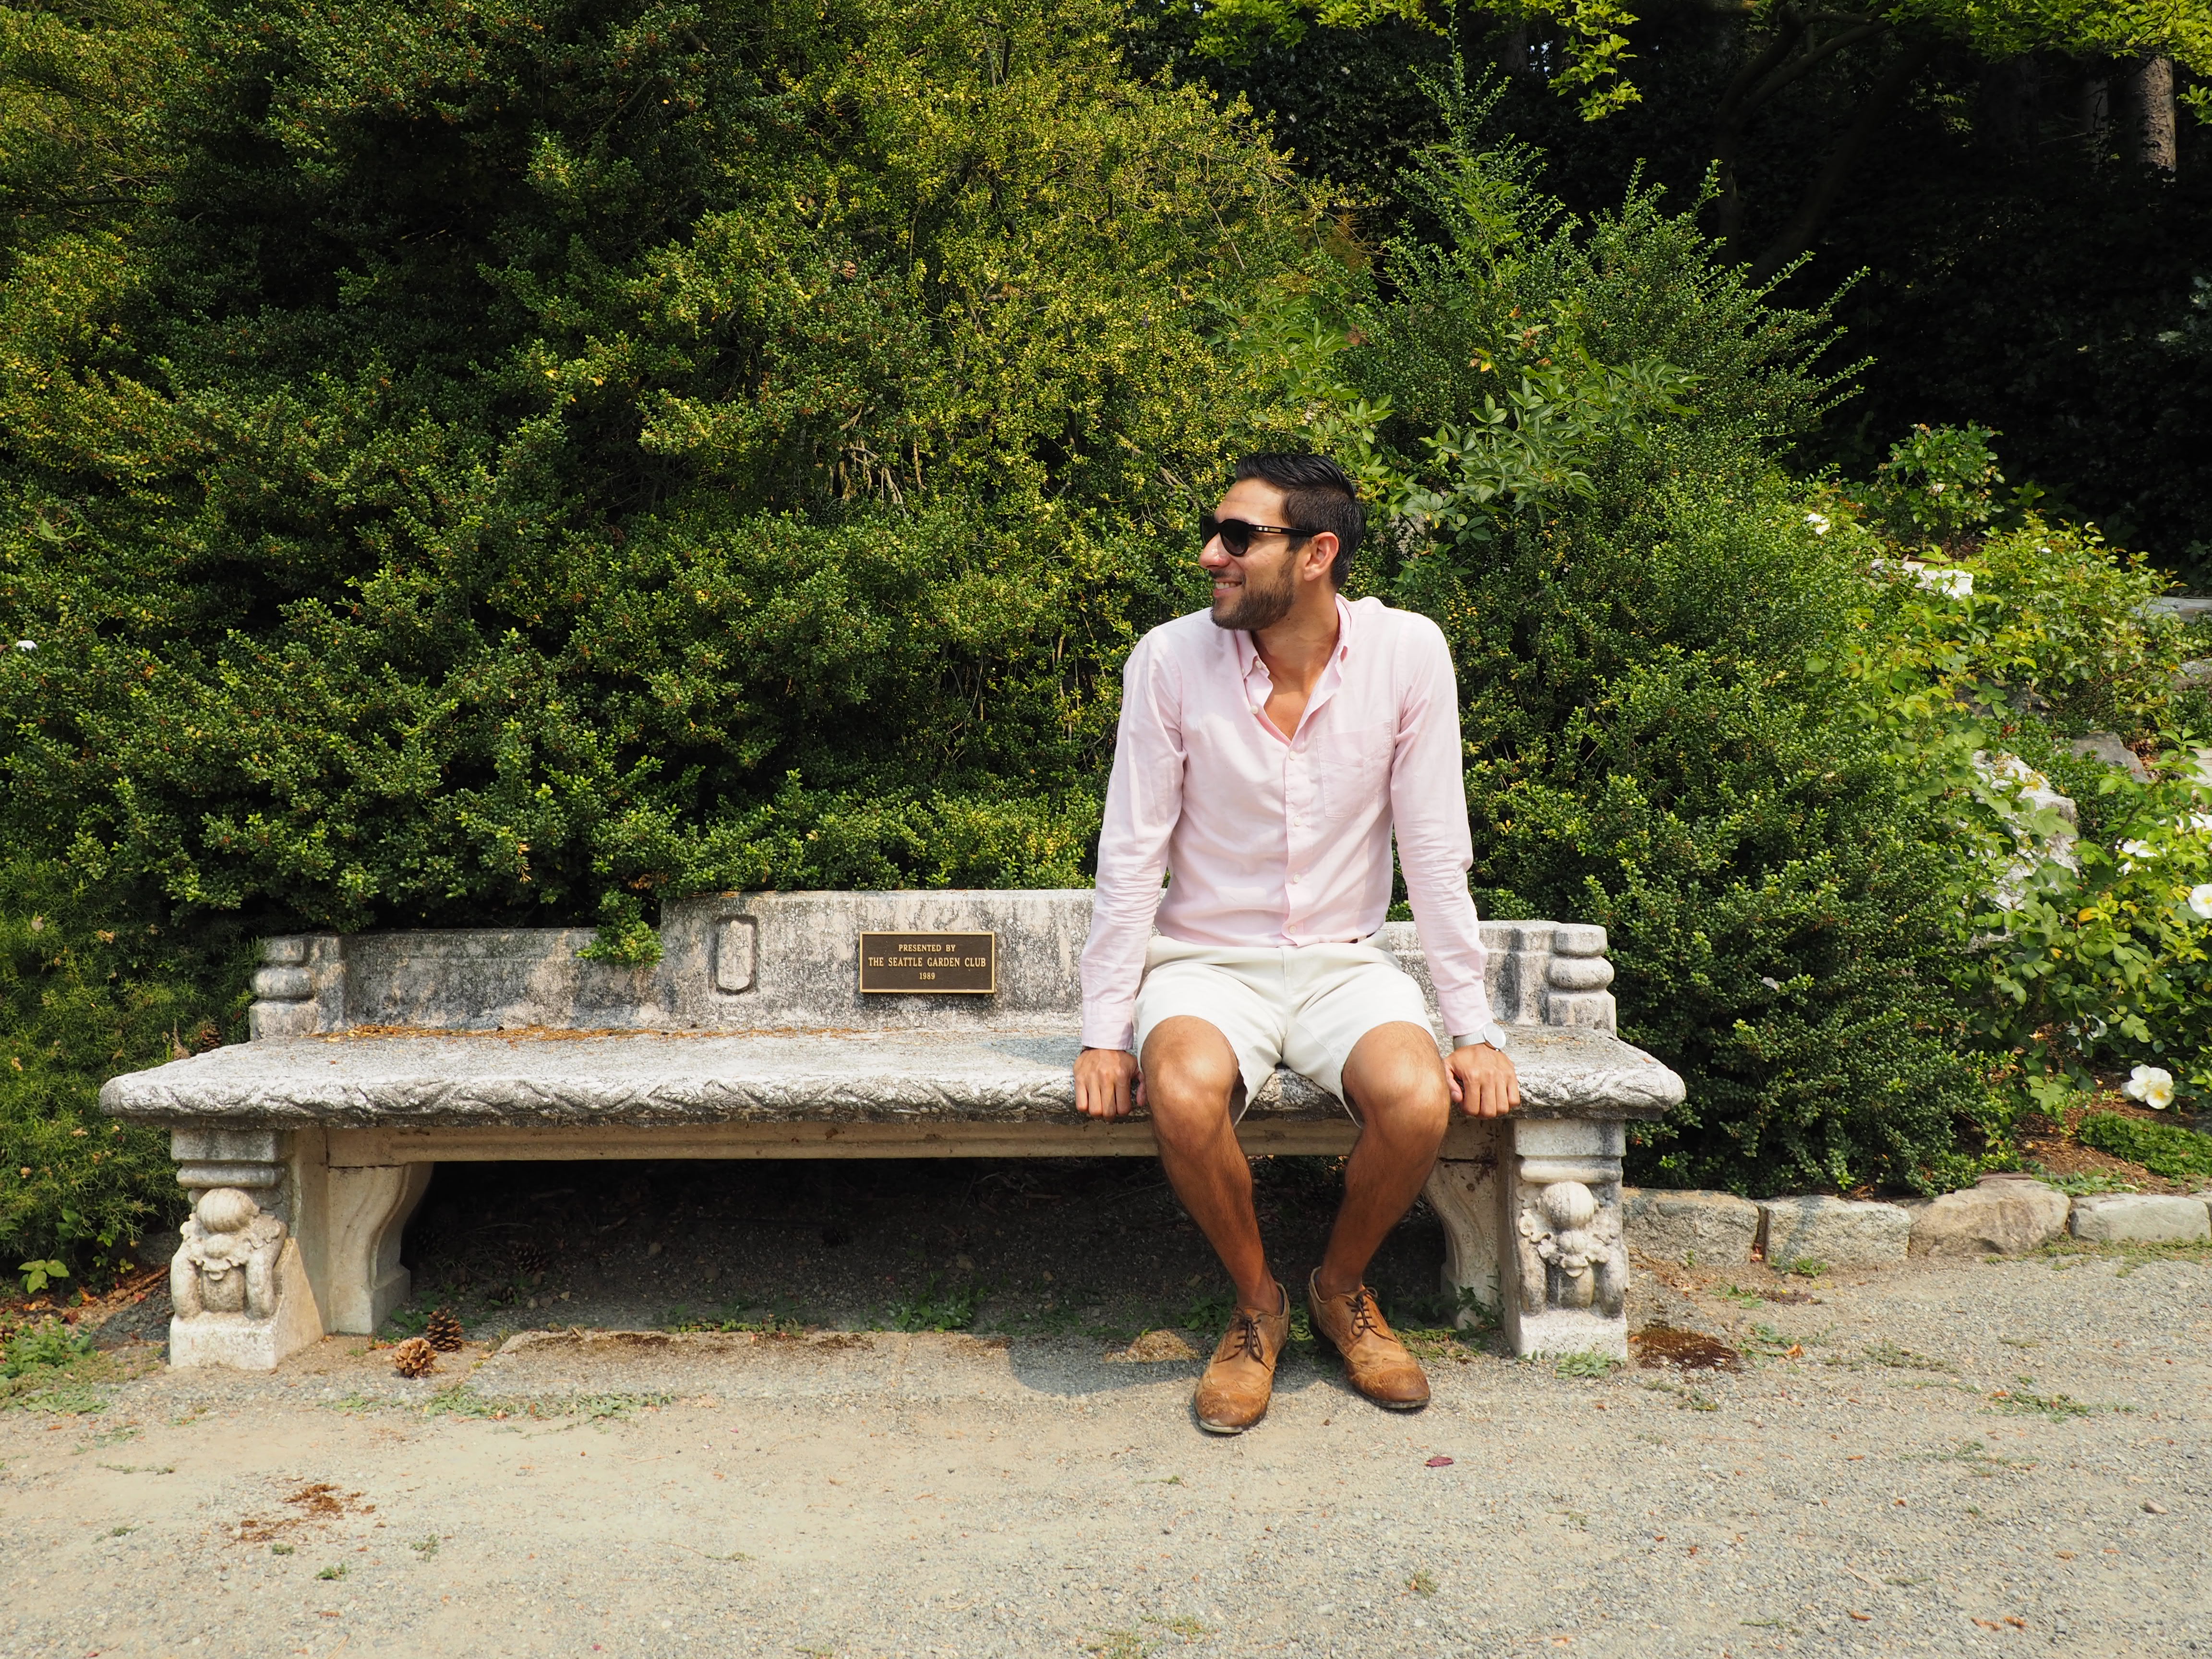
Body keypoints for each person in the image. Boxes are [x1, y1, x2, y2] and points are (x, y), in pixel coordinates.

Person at [1073, 452, 1521, 1435]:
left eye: (1239, 537)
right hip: (1204, 965)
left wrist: (1473, 1031)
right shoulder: (1169, 660)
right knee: (1181, 1090)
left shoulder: (1407, 653)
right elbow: (1132, 852)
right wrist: (1105, 1032)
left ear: (1317, 553)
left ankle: (1341, 1289)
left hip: (1341, 963)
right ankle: (1256, 1306)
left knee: (1417, 1099)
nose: (1211, 555)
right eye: (1214, 532)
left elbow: (1435, 850)